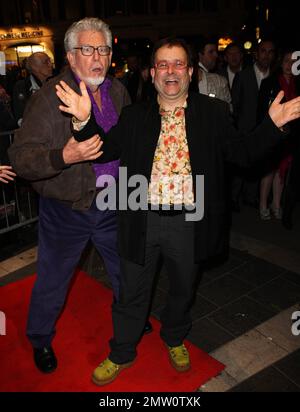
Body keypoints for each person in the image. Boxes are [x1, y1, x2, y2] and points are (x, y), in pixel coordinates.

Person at [56, 37, 300, 386]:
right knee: (131, 292)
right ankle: (122, 350)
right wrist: (83, 121)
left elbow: (243, 154)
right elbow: (105, 150)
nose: (171, 71)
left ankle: (174, 336)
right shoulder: (135, 115)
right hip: (142, 217)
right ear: (153, 72)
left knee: (183, 289)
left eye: (178, 64)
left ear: (190, 72)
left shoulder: (213, 114)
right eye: (163, 65)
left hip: (190, 221)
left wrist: (271, 126)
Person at [8, 17, 132, 375]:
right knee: (52, 280)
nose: (98, 57)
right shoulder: (48, 99)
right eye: (87, 49)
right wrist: (64, 156)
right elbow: (20, 157)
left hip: (113, 203)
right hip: (67, 211)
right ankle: (40, 338)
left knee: (126, 271)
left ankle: (130, 318)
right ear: (71, 56)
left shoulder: (117, 90)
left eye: (104, 49)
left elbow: (124, 142)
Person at [231, 39, 276, 211]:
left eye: (270, 52)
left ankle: (251, 197)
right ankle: (233, 198)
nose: (266, 55)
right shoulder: (243, 76)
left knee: (259, 163)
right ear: (256, 54)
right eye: (263, 51)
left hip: (264, 129)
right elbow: (235, 104)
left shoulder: (274, 77)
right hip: (244, 129)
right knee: (240, 165)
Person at [257, 49, 300, 220]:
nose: (290, 65)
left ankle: (276, 204)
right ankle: (262, 205)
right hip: (273, 132)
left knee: (282, 170)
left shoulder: (297, 84)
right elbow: (261, 110)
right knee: (269, 170)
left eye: (293, 61)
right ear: (281, 63)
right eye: (286, 61)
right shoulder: (270, 82)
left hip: (291, 135)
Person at [12, 52, 53, 126]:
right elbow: (20, 117)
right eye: (46, 62)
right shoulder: (21, 87)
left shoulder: (55, 83)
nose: (50, 65)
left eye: (50, 61)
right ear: (35, 67)